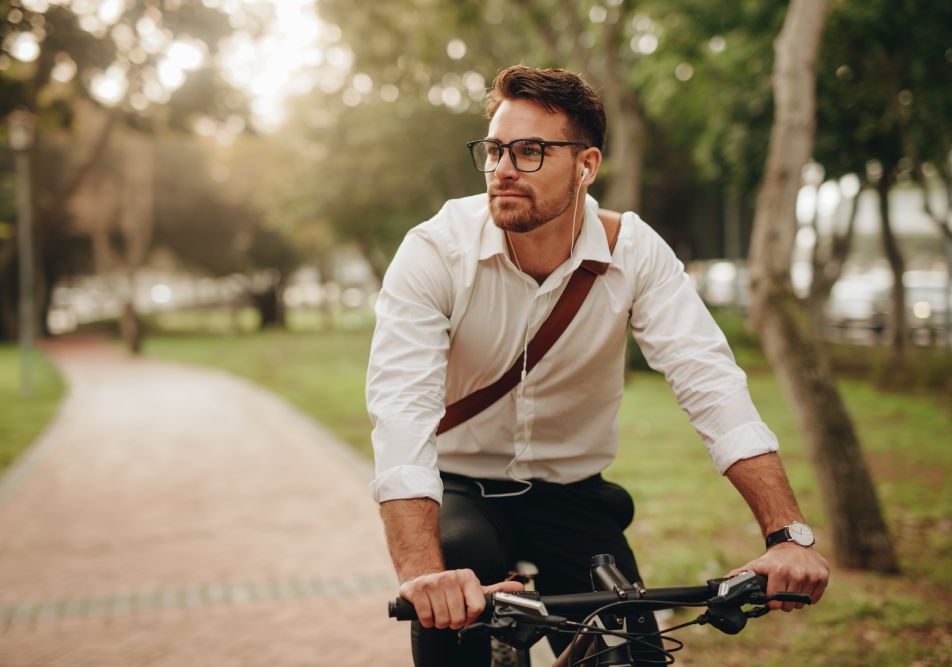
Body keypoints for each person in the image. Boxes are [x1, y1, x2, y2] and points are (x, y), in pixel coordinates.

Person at [366, 65, 830, 665]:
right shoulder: (435, 250)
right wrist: (423, 575)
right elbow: (401, 411)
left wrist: (785, 535)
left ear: (586, 166)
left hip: (572, 496)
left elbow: (711, 384)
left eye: (530, 151)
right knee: (455, 585)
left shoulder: (635, 252)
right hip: (459, 490)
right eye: (494, 150)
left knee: (630, 647)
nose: (503, 168)